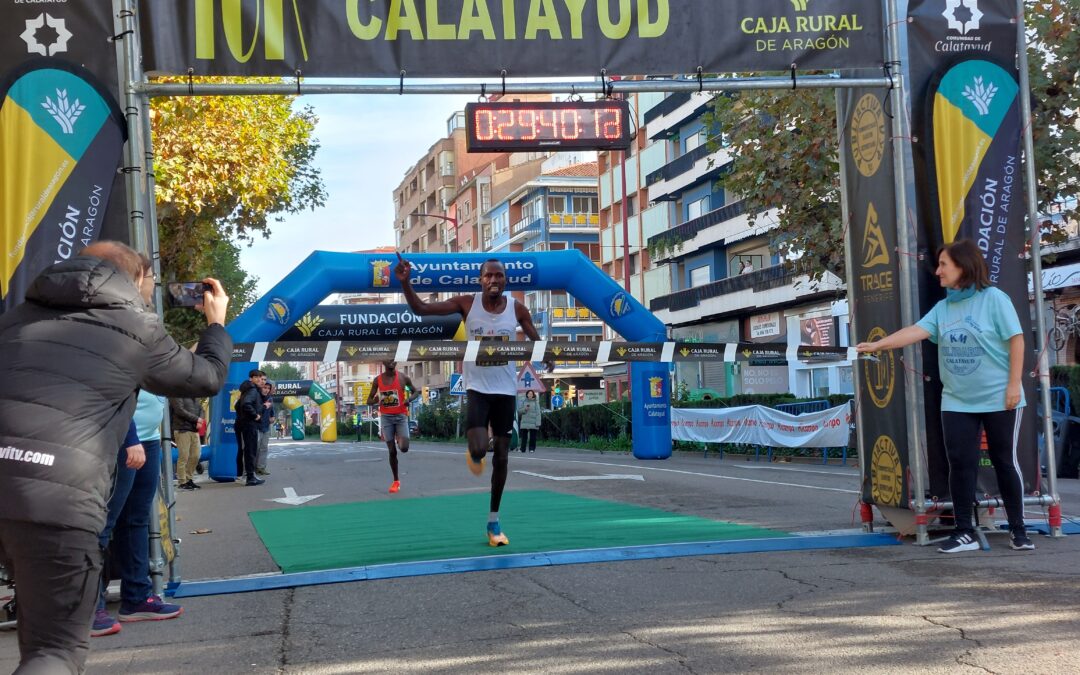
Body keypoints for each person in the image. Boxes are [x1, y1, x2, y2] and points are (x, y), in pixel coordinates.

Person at [0, 240, 231, 674]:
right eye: (151, 284)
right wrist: (215, 323)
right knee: (52, 651)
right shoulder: (134, 326)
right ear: (137, 278)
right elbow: (206, 378)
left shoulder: (13, 318)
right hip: (54, 497)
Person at [855, 238, 1033, 554]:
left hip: (998, 397)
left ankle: (1019, 530)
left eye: (943, 265)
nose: (938, 271)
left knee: (1004, 461)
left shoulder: (994, 299)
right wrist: (878, 345)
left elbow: (1017, 340)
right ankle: (964, 532)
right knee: (961, 464)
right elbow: (915, 331)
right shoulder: (944, 308)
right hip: (957, 401)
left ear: (963, 267)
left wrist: (1013, 385)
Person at [396, 256, 546, 547]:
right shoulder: (467, 304)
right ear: (481, 280)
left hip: (505, 389)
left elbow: (534, 339)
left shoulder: (517, 309)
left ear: (505, 280)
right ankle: (475, 452)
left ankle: (493, 520)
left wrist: (546, 354)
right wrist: (405, 283)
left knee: (503, 456)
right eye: (488, 276)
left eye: (499, 276)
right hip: (477, 387)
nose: (494, 280)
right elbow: (421, 309)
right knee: (479, 449)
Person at [92, 390, 182, 637]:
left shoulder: (153, 351)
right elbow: (113, 392)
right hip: (121, 438)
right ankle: (89, 607)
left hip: (149, 438)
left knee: (136, 521)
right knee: (102, 523)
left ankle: (136, 598)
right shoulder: (120, 350)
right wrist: (130, 438)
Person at [366, 361, 419, 493]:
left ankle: (399, 437)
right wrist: (377, 399)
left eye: (393, 359)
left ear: (396, 361)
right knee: (392, 451)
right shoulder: (377, 380)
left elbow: (416, 391)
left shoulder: (403, 377)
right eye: (388, 359)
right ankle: (396, 480)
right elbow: (369, 400)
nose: (391, 361)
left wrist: (409, 400)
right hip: (386, 418)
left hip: (401, 417)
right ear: (383, 362)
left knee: (404, 448)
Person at [234, 369, 266, 486]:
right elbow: (245, 404)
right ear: (251, 379)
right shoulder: (252, 390)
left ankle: (250, 476)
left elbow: (238, 405)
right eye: (256, 377)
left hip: (245, 424)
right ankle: (250, 477)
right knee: (249, 451)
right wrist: (255, 415)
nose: (259, 379)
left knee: (248, 450)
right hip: (248, 424)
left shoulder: (247, 390)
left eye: (260, 377)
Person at [171, 396, 204, 491]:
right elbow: (179, 410)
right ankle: (182, 481)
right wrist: (197, 419)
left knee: (196, 455)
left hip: (194, 429)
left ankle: (189, 478)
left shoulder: (195, 394)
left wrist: (200, 420)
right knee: (184, 456)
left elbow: (201, 409)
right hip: (182, 429)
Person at [255, 381, 276, 476]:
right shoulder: (256, 396)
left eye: (268, 388)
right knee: (255, 448)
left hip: (266, 427)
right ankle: (252, 468)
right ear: (261, 388)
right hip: (256, 426)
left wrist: (273, 417)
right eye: (265, 387)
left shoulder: (270, 399)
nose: (266, 390)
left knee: (264, 448)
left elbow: (272, 410)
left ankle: (261, 467)